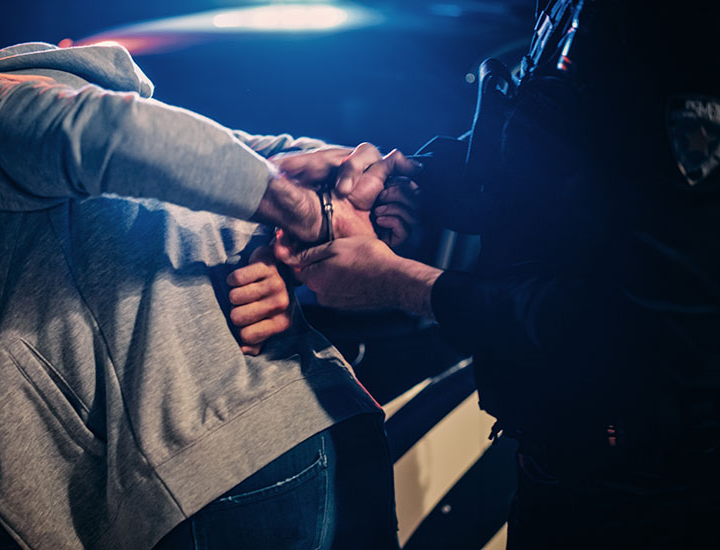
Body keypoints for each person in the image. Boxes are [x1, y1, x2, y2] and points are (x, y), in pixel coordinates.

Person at [0, 1, 401, 548]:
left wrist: (306, 216)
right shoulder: (101, 103)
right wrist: (366, 186)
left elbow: (115, 133)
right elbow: (265, 158)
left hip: (216, 473)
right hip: (329, 422)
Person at [278, 1, 720, 548]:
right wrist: (411, 180)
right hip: (561, 465)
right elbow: (551, 165)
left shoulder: (683, 28)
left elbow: (653, 323)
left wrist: (400, 283)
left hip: (663, 490)